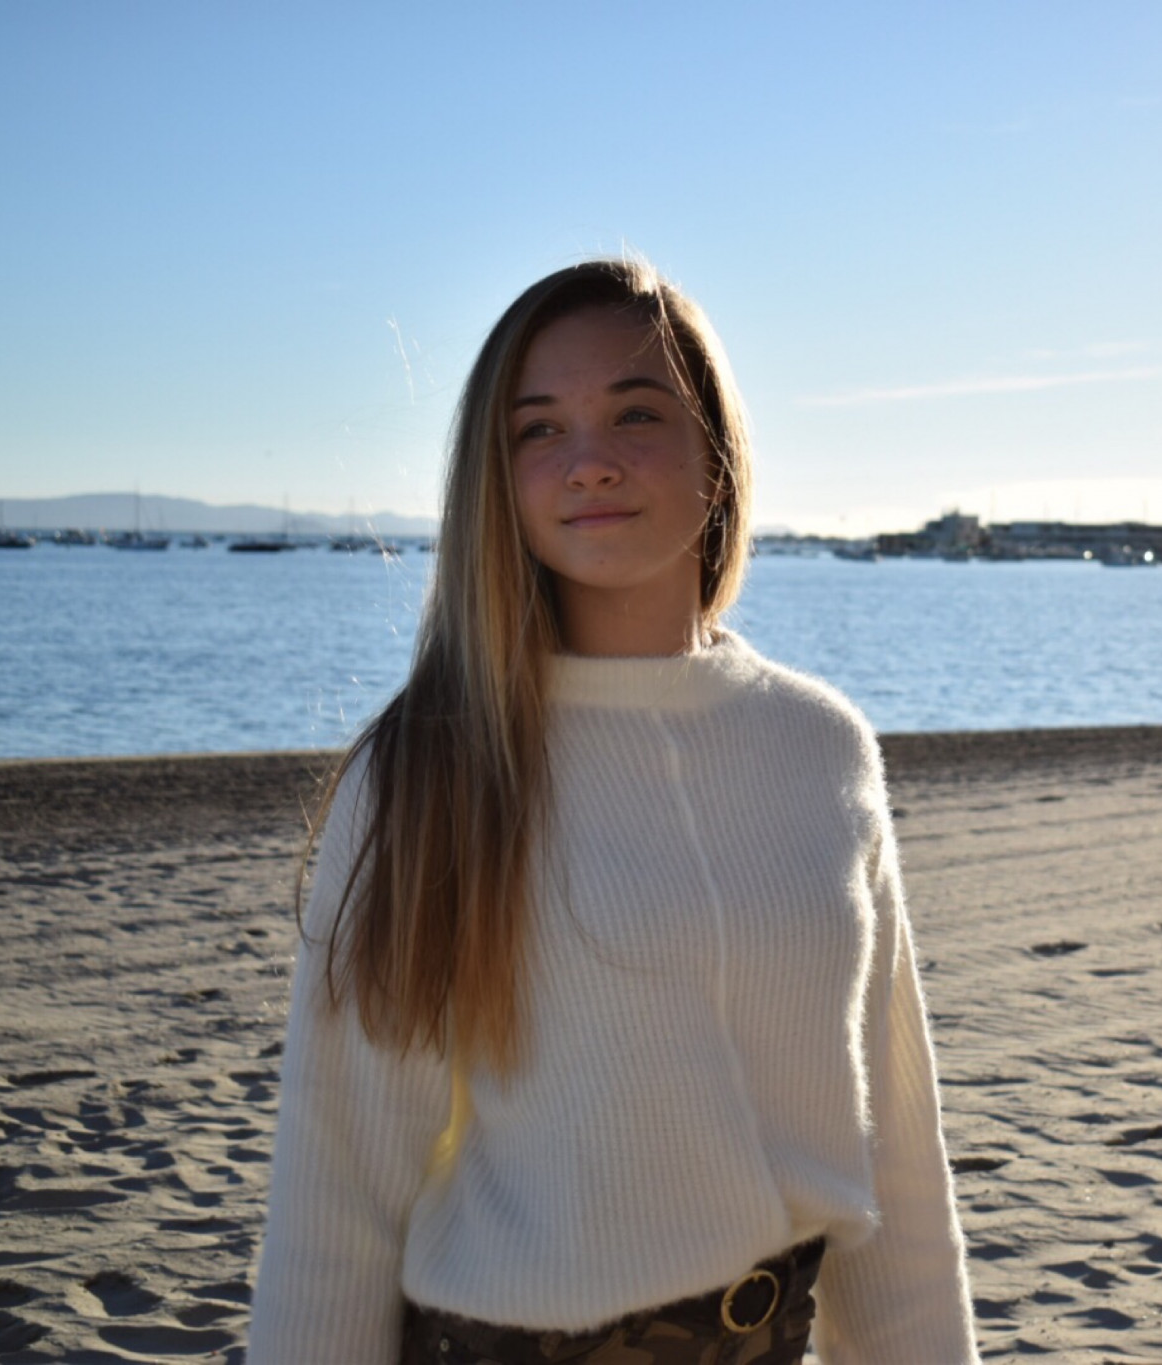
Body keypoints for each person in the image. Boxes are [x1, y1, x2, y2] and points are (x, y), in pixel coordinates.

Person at [247, 258, 978, 1365]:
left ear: (716, 453)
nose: (588, 460)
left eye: (636, 413)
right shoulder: (429, 769)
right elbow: (337, 1188)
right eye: (538, 429)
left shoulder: (821, 746)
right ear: (496, 479)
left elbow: (897, 1159)